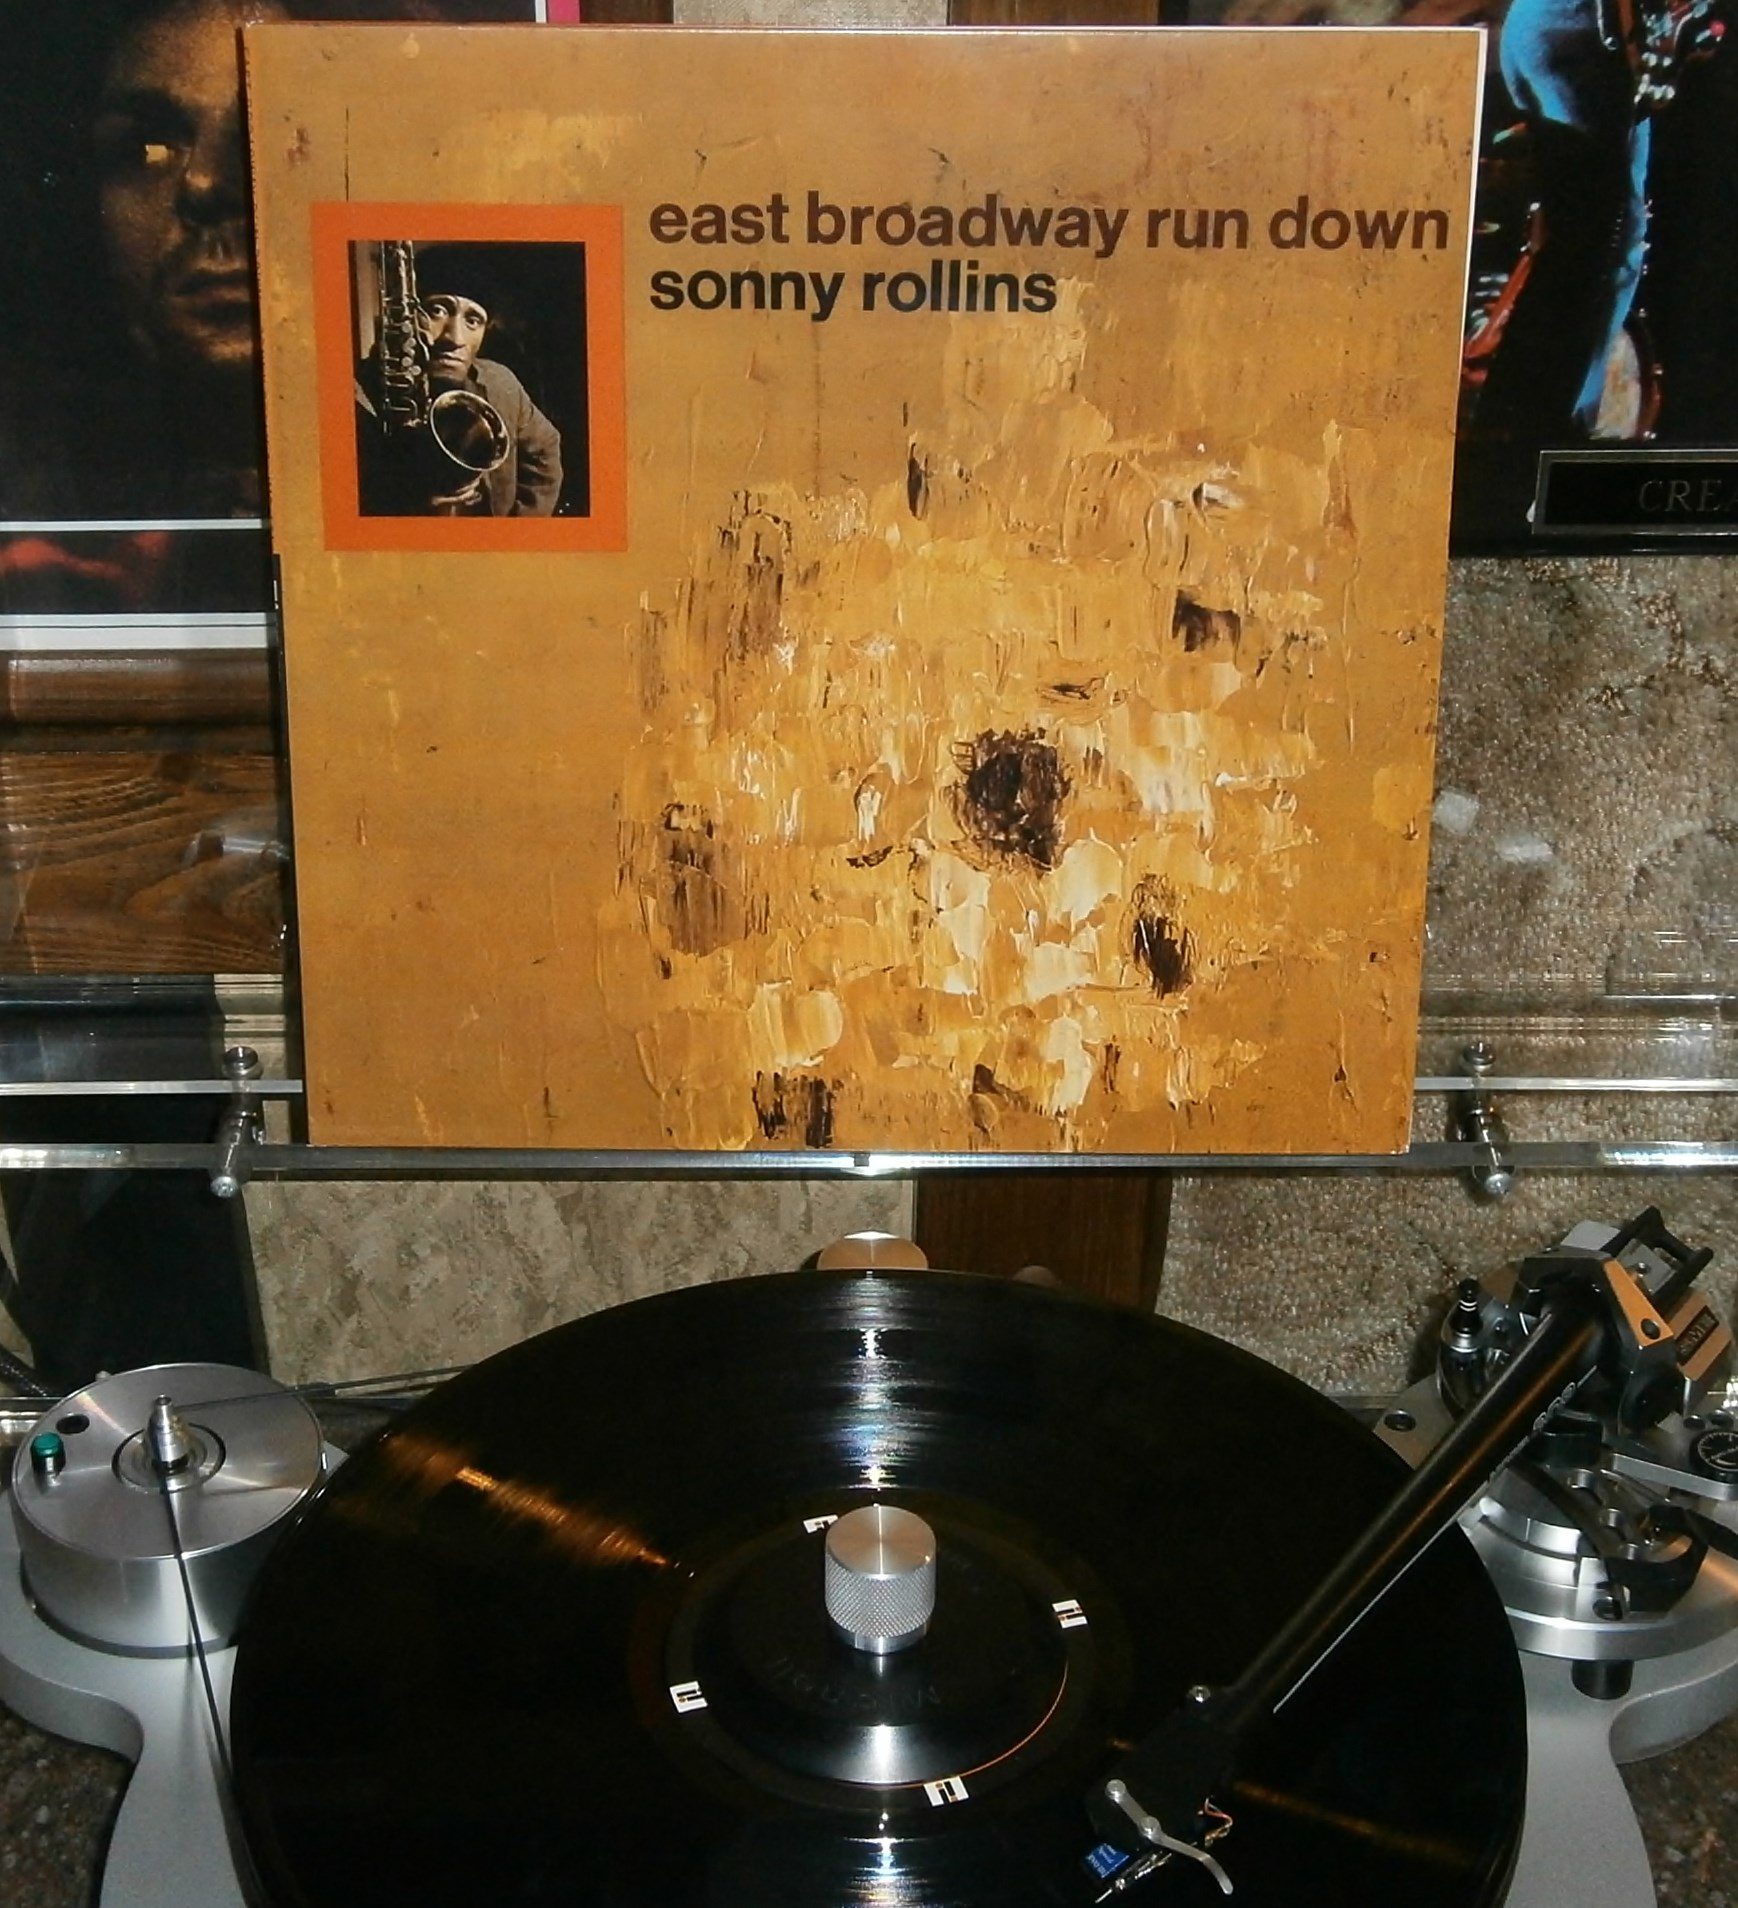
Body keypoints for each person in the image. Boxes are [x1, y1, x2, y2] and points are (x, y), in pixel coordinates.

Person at [354, 243, 564, 517]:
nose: (454, 338)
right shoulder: (354, 395)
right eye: (437, 310)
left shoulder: (501, 382)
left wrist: (519, 531)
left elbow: (546, 448)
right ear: (408, 317)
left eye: (473, 320)